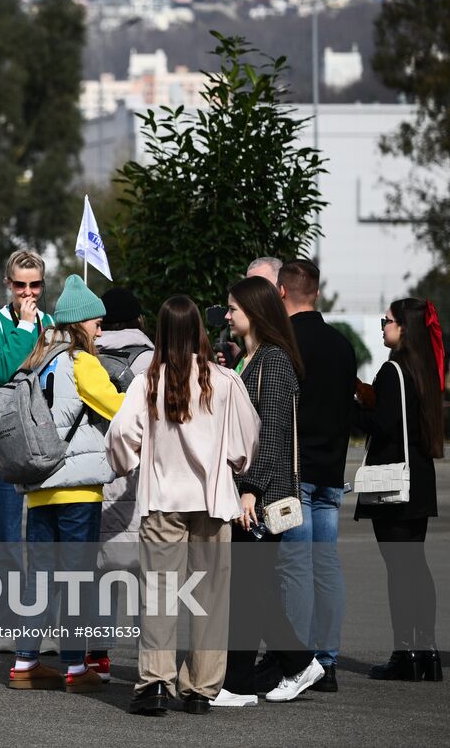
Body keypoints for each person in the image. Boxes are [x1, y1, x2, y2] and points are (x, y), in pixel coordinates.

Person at [108, 296, 258, 715]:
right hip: (213, 500)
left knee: (159, 593)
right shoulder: (224, 380)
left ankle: (156, 682)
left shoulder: (148, 380)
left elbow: (120, 434)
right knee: (211, 595)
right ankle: (201, 688)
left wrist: (128, 462)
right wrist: (234, 463)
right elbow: (248, 438)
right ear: (198, 331)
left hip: (162, 499)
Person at [6, 275, 122, 694]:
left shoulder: (37, 359)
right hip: (78, 489)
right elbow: (117, 407)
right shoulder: (82, 362)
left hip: (39, 485)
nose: (100, 331)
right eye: (97, 323)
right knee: (77, 577)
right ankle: (75, 666)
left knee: (40, 577)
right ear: (80, 323)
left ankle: (25, 662)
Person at [220, 277, 325, 705]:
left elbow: (274, 433)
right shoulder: (247, 359)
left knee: (251, 589)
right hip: (246, 492)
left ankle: (269, 672)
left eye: (233, 309)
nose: (227, 316)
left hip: (261, 495)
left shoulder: (274, 361)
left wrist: (250, 490)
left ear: (256, 312)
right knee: (250, 589)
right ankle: (255, 676)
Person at [274, 259, 356, 692]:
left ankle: (299, 661)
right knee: (326, 565)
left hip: (296, 471)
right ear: (318, 293)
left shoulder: (283, 343)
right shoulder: (342, 345)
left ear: (281, 292)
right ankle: (328, 660)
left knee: (295, 567)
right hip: (332, 469)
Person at [354, 297, 443, 682]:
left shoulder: (392, 370)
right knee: (416, 565)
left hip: (393, 481)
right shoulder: (425, 369)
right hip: (419, 478)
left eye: (387, 321)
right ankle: (428, 650)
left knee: (399, 569)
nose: (382, 327)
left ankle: (404, 652)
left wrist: (353, 408)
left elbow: (382, 424)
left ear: (404, 327)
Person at [0, 249, 54, 652]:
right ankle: (6, 626)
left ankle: (44, 628)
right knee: (6, 543)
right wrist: (24, 327)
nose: (28, 292)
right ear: (8, 284)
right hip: (0, 450)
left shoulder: (52, 325)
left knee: (45, 544)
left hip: (43, 449)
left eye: (35, 285)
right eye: (20, 284)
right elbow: (1, 369)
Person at [93, 286, 156, 680]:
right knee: (146, 573)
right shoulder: (152, 360)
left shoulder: (86, 358)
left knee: (102, 570)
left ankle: (97, 657)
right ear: (139, 320)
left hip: (97, 472)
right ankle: (150, 661)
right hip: (143, 475)